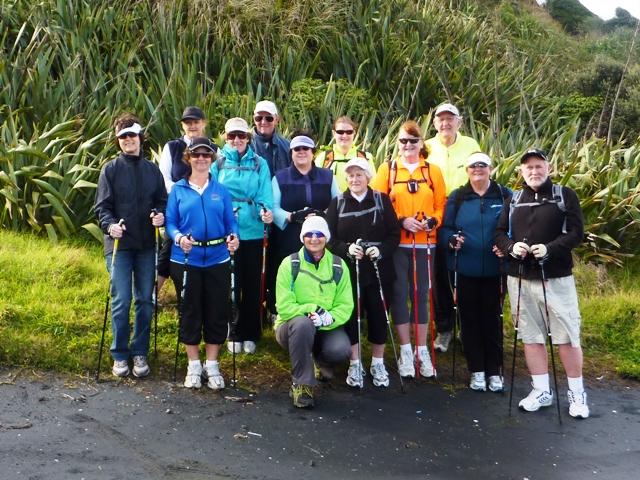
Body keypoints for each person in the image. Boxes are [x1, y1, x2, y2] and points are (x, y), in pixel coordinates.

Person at [495, 148, 589, 418]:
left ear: (548, 168)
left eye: (539, 166)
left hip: (556, 276)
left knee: (566, 336)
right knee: (531, 335)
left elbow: (576, 232)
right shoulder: (514, 199)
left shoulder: (564, 195)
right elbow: (500, 232)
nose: (534, 171)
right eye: (528, 167)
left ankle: (576, 393)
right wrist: (512, 248)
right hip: (521, 276)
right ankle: (541, 390)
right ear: (521, 171)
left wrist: (550, 249)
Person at [94, 113, 167, 378]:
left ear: (140, 137)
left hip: (147, 245)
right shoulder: (110, 170)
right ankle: (119, 354)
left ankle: (140, 352)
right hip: (119, 247)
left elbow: (162, 200)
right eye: (123, 137)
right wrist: (110, 225)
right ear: (118, 141)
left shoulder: (152, 169)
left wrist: (160, 214)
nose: (128, 141)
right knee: (122, 300)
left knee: (145, 301)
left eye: (132, 136)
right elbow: (102, 207)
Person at [372, 121, 446, 378]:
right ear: (398, 143)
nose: (408, 146)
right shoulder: (388, 170)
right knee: (400, 294)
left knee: (421, 295)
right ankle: (405, 350)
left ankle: (421, 349)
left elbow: (441, 206)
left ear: (421, 143)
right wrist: (402, 220)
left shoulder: (432, 171)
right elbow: (379, 204)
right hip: (398, 242)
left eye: (413, 141)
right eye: (403, 141)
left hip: (426, 243)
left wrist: (432, 221)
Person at [165, 137, 239, 390]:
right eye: (196, 155)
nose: (201, 159)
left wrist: (234, 237)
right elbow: (170, 222)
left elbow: (231, 221)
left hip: (218, 257)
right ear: (189, 158)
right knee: (190, 310)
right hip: (186, 258)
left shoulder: (221, 190)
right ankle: (193, 365)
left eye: (206, 155)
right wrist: (178, 238)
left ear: (212, 159)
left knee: (216, 311)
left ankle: (212, 364)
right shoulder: (178, 189)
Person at [438, 152, 511, 392]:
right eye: (473, 166)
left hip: (495, 268)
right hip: (464, 268)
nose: (477, 169)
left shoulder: (504, 194)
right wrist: (451, 239)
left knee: (492, 320)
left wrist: (507, 245)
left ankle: (495, 372)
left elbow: (515, 227)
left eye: (482, 165)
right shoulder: (458, 196)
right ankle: (477, 371)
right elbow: (445, 228)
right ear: (467, 170)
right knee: (468, 320)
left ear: (491, 168)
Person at [325, 158, 400, 388]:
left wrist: (382, 250)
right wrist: (346, 249)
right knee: (352, 317)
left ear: (368, 177)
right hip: (350, 272)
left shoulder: (381, 199)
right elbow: (329, 239)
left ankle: (378, 363)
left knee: (379, 316)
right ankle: (355, 363)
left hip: (379, 270)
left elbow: (394, 234)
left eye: (359, 175)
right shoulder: (337, 203)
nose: (355, 179)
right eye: (350, 175)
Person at [210, 118, 273, 355]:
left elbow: (264, 194)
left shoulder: (259, 164)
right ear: (225, 137)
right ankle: (233, 330)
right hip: (228, 233)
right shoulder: (218, 164)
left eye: (242, 136)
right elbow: (214, 196)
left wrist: (264, 211)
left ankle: (251, 332)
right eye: (231, 136)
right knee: (229, 283)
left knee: (252, 283)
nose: (237, 140)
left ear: (248, 137)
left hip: (254, 231)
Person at [275, 216, 353, 407]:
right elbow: (284, 307)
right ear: (303, 238)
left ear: (326, 237)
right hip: (292, 327)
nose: (314, 238)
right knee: (303, 324)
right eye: (309, 234)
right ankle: (301, 385)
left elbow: (345, 304)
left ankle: (320, 363)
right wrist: (312, 310)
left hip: (325, 326)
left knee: (341, 350)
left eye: (319, 234)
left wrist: (328, 319)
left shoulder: (338, 265)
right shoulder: (289, 264)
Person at [425, 103, 481, 354]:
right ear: (435, 123)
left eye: (450, 119)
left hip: (464, 213)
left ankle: (468, 327)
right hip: (435, 216)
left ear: (459, 122)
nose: (445, 123)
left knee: (464, 273)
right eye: (441, 119)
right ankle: (445, 328)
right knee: (439, 276)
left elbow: (478, 177)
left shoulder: (471, 145)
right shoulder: (426, 147)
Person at [269, 131, 340, 327]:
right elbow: (272, 206)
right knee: (288, 271)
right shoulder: (280, 177)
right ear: (291, 153)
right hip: (289, 234)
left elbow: (338, 202)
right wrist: (291, 216)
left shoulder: (327, 176)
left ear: (313, 152)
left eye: (305, 149)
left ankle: (322, 309)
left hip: (320, 236)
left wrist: (325, 214)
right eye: (296, 149)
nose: (301, 152)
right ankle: (281, 311)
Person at [156, 107, 218, 295]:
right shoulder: (172, 147)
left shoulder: (214, 148)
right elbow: (163, 177)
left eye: (196, 122)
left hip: (205, 209)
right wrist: (182, 192)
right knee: (167, 251)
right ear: (182, 125)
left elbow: (217, 179)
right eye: (188, 122)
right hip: (178, 209)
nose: (192, 126)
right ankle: (152, 297)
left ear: (204, 124)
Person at [314, 116, 377, 192]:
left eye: (349, 132)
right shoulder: (323, 158)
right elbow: (315, 185)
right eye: (340, 132)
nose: (344, 135)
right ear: (334, 133)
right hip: (331, 203)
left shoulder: (365, 157)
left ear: (354, 133)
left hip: (358, 203)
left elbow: (373, 185)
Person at [250, 100, 291, 177]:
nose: (263, 122)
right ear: (254, 119)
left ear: (276, 119)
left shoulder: (288, 146)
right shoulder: (246, 146)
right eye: (259, 118)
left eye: (269, 118)